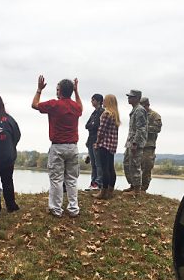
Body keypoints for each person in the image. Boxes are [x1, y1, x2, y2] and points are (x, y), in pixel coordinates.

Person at [31, 75, 83, 218]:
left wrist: (39, 90)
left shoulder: (54, 104)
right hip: (73, 147)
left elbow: (34, 104)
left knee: (56, 179)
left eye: (57, 89)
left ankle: (56, 209)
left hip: (58, 147)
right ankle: (73, 208)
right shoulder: (76, 107)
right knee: (72, 179)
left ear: (59, 91)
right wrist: (76, 91)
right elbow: (80, 106)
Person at [94, 94, 120, 199]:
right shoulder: (115, 115)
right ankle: (110, 190)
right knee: (111, 168)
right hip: (112, 144)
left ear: (108, 102)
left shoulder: (106, 114)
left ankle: (103, 192)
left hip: (104, 144)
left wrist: (97, 143)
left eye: (104, 100)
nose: (103, 101)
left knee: (104, 169)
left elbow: (101, 131)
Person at [123, 89, 148, 195]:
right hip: (130, 141)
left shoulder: (139, 110)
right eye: (129, 96)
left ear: (137, 98)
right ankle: (133, 185)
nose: (129, 98)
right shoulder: (135, 110)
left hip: (135, 143)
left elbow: (141, 128)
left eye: (131, 97)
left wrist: (135, 143)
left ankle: (137, 190)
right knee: (127, 163)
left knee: (135, 165)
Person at [140, 97, 162, 192]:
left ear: (146, 105)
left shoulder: (155, 115)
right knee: (135, 167)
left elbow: (157, 129)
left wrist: (144, 128)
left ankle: (144, 188)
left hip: (148, 146)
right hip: (138, 145)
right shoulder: (139, 115)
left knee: (146, 167)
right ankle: (135, 186)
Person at [84, 94, 104, 191]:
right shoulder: (94, 113)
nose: (91, 101)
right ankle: (93, 182)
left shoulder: (102, 112)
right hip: (91, 140)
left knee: (98, 163)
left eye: (93, 100)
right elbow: (87, 125)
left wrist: (92, 125)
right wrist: (92, 125)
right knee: (93, 163)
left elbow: (96, 125)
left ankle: (98, 182)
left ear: (99, 101)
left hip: (97, 140)